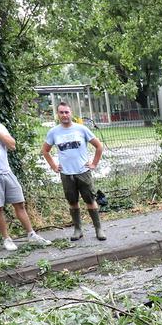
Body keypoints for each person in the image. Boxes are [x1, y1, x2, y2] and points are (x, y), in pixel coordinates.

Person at [0, 102, 50, 251]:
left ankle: (31, 234)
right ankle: (6, 239)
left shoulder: (0, 127)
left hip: (6, 171)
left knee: (20, 203)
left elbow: (12, 145)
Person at [42, 102, 106, 241]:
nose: (64, 115)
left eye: (66, 112)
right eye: (61, 112)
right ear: (58, 114)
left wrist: (94, 163)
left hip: (83, 172)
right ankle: (78, 230)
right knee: (73, 202)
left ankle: (98, 229)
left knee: (90, 200)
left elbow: (99, 146)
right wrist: (53, 165)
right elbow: (45, 151)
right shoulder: (54, 132)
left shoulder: (81, 129)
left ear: (71, 113)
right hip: (66, 174)